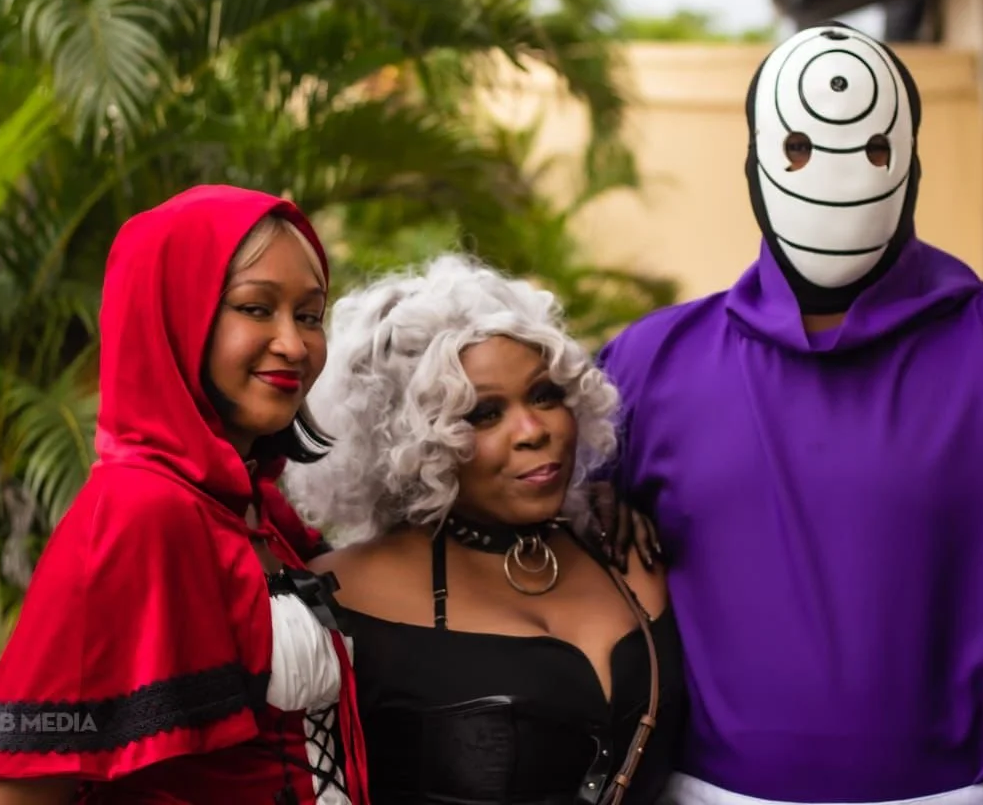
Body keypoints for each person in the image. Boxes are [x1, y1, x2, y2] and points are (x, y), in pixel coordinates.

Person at [596, 22, 983, 804]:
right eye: (796, 149)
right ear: (755, 163)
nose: (828, 172)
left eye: (872, 150)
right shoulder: (644, 370)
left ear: (910, 161)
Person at [0, 186, 368, 805]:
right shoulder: (136, 514)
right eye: (256, 308)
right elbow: (1, 795)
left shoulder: (256, 512)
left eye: (309, 316)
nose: (294, 344)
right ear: (174, 316)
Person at [283, 254, 685, 805]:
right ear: (414, 442)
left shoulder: (625, 548)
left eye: (545, 395)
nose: (532, 431)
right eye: (482, 413)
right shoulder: (334, 599)